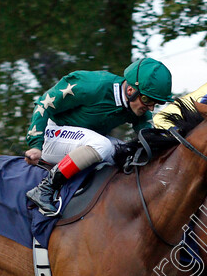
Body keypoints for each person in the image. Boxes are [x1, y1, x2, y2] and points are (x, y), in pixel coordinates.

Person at [24, 58, 174, 215]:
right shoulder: (90, 85)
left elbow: (150, 139)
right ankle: (44, 189)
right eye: (147, 100)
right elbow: (43, 104)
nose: (150, 107)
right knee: (102, 145)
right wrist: (36, 145)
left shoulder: (137, 107)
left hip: (83, 141)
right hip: (52, 134)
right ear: (130, 90)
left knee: (128, 152)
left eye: (156, 102)